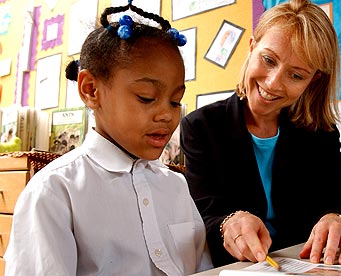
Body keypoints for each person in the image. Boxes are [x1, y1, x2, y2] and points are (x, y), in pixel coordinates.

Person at [4, 1, 213, 275]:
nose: (167, 115)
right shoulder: (55, 192)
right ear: (91, 89)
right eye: (147, 98)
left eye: (175, 101)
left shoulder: (175, 186)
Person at [180, 0, 341, 268]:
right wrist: (228, 223)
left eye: (296, 75)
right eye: (268, 60)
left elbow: (339, 203)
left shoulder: (320, 133)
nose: (272, 83)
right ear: (251, 46)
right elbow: (205, 215)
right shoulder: (201, 126)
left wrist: (336, 219)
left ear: (313, 80)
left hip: (309, 268)